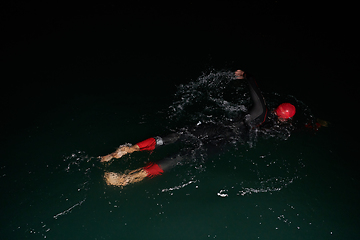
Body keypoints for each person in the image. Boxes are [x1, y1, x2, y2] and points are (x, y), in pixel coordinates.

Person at [100, 69, 299, 187]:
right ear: (284, 119)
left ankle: (129, 149)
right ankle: (126, 180)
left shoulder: (261, 110)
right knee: (181, 157)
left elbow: (255, 88)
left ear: (276, 110)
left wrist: (245, 74)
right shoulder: (272, 126)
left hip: (219, 127)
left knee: (177, 136)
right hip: (225, 141)